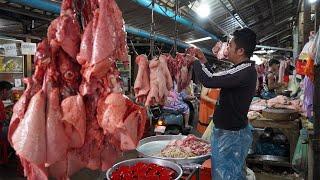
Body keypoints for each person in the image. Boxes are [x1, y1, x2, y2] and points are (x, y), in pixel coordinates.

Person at [193, 28, 257, 180]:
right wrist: (202, 61)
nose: (227, 48)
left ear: (240, 50)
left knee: (227, 177)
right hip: (230, 134)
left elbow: (210, 80)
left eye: (230, 45)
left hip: (231, 137)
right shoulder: (242, 69)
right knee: (229, 174)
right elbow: (215, 78)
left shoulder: (244, 71)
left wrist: (194, 62)